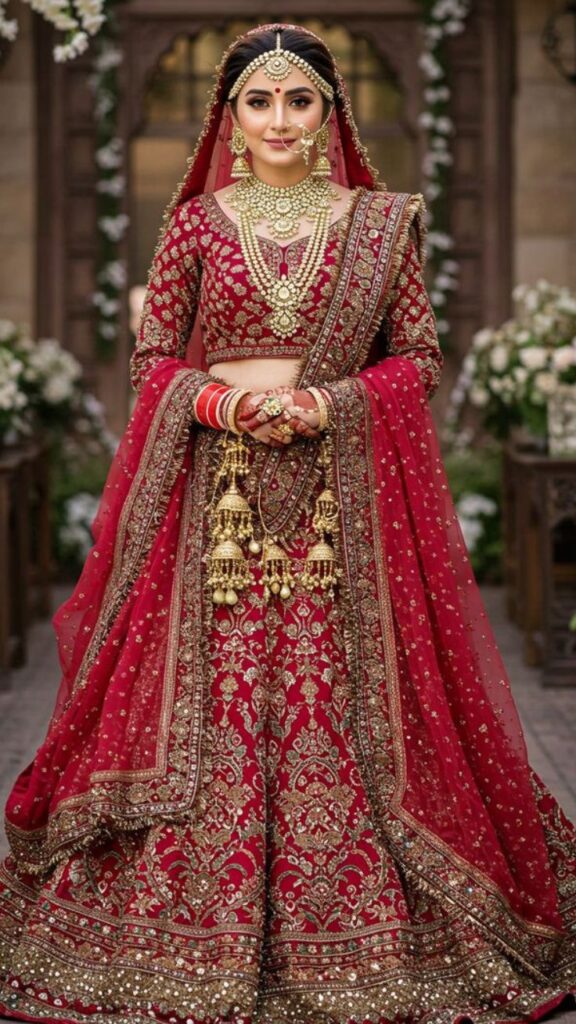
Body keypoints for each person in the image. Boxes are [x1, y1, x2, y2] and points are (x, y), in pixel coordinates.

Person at [0, 21, 575, 1024]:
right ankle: (189, 925)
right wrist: (219, 405)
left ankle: (363, 923)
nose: (278, 120)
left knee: (342, 695)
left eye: (298, 100)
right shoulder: (192, 229)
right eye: (259, 101)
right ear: (232, 115)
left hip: (338, 505)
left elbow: (419, 359)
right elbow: (155, 363)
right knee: (214, 697)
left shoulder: (382, 222)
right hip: (213, 512)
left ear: (327, 113)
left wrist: (330, 406)